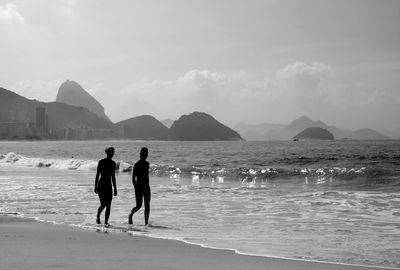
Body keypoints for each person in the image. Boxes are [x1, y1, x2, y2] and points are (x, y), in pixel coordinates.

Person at [94, 146, 117, 226]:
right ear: (108, 153)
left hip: (108, 186)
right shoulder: (101, 162)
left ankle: (106, 222)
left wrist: (115, 188)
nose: (112, 154)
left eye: (113, 152)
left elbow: (113, 177)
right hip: (101, 185)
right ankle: (98, 216)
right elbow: (97, 175)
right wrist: (95, 186)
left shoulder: (113, 163)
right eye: (111, 152)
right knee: (103, 204)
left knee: (109, 205)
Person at [129, 147, 151, 225]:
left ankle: (146, 222)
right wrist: (136, 188)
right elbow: (133, 179)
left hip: (146, 187)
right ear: (141, 154)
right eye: (144, 154)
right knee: (138, 206)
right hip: (139, 187)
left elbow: (147, 176)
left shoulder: (147, 164)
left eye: (146, 154)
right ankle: (131, 215)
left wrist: (147, 186)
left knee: (147, 205)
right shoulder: (137, 164)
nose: (145, 156)